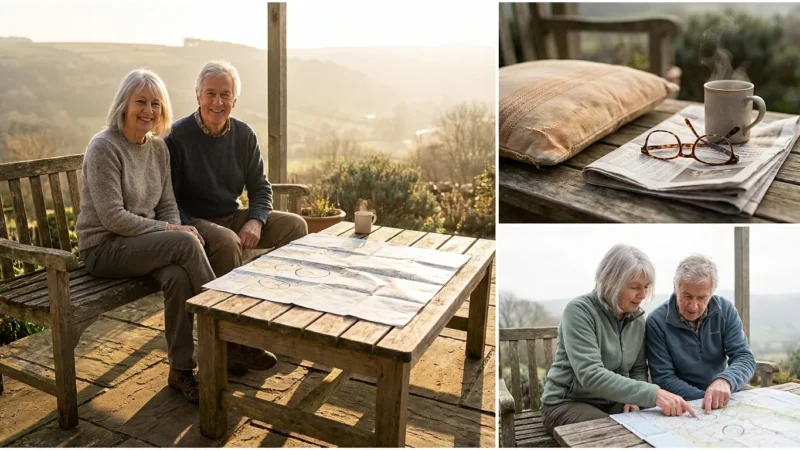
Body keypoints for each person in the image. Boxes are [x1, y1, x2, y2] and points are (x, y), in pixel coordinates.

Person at [76, 69, 215, 405]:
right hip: (104, 248)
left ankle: (180, 370)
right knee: (184, 241)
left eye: (155, 103)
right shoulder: (103, 148)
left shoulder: (158, 150)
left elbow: (167, 204)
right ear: (124, 104)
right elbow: (114, 218)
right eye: (140, 101)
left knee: (179, 275)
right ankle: (231, 326)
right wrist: (171, 230)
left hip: (142, 246)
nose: (148, 110)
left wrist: (170, 226)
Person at [165, 61, 307, 375]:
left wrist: (256, 220)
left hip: (232, 214)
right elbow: (169, 198)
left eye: (225, 95)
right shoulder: (176, 136)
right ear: (198, 96)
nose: (218, 102)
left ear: (234, 100)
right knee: (228, 243)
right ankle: (230, 345)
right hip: (195, 220)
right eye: (210, 94)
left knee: (296, 226)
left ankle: (277, 319)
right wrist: (186, 226)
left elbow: (260, 187)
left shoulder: (243, 134)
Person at [540, 244, 697, 435]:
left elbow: (638, 369)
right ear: (612, 282)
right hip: (567, 403)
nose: (643, 294)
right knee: (619, 436)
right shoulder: (579, 311)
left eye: (646, 287)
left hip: (614, 404)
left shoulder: (637, 319)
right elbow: (591, 375)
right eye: (635, 287)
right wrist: (652, 394)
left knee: (661, 428)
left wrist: (634, 398)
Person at [646, 254, 756, 414]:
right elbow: (664, 378)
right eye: (687, 296)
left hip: (722, 390)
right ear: (675, 288)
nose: (694, 306)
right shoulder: (656, 321)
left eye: (702, 297)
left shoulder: (725, 310)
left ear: (711, 293)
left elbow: (744, 357)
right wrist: (706, 399)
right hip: (681, 399)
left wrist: (725, 381)